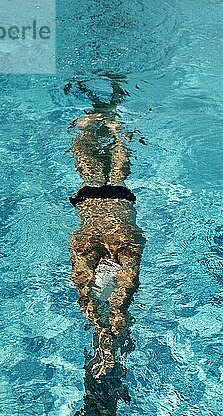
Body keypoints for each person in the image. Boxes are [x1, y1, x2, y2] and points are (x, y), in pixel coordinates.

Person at [69, 112, 146, 379]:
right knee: (90, 169)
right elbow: (85, 289)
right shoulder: (87, 249)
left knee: (117, 172)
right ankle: (93, 127)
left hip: (119, 199)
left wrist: (109, 329)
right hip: (90, 200)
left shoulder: (126, 249)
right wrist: (105, 330)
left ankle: (114, 128)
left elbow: (127, 286)